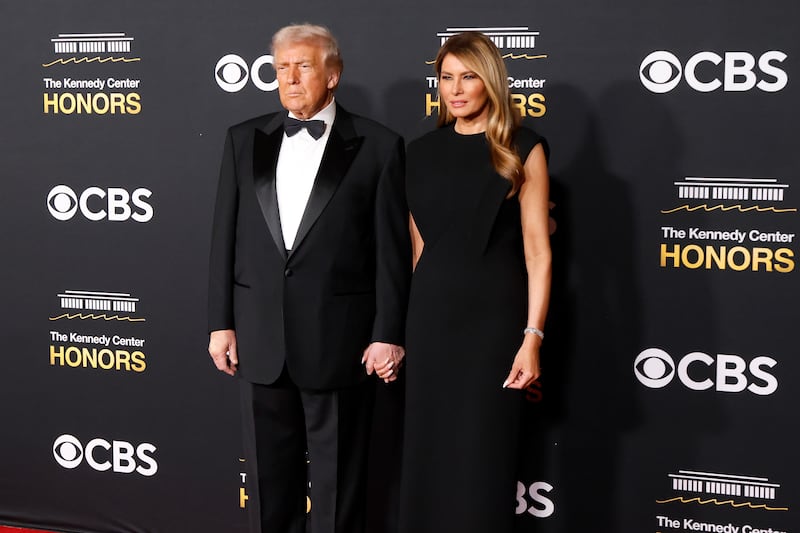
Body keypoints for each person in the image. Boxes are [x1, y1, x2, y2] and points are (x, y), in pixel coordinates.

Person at [207, 24, 410, 533]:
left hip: (339, 340)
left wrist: (387, 333)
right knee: (267, 485)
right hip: (260, 338)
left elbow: (391, 249)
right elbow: (223, 240)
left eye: (303, 66)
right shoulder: (242, 139)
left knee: (338, 488)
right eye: (281, 68)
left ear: (333, 74)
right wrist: (221, 324)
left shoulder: (379, 146)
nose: (290, 78)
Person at [394, 31, 551, 532]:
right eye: (446, 78)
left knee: (483, 454)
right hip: (431, 319)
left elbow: (537, 250)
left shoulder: (521, 147)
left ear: (491, 82)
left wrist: (532, 337)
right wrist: (401, 331)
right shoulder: (417, 153)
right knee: (428, 449)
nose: (455, 89)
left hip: (493, 323)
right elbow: (418, 251)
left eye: (468, 77)